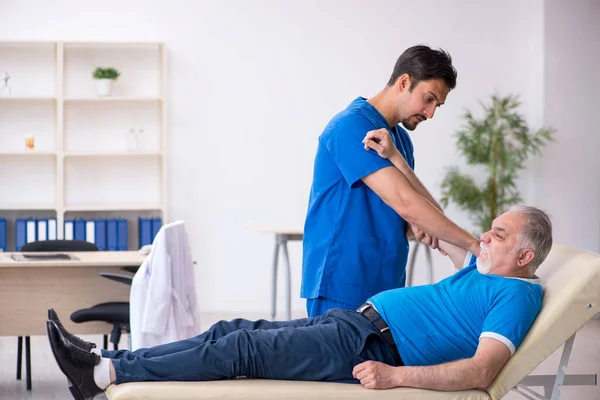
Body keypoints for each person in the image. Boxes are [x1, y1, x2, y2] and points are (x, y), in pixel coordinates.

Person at [47, 206, 552, 400]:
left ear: (525, 255)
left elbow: (483, 371)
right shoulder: (485, 270)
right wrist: (398, 167)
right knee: (229, 331)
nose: (486, 236)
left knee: (240, 349)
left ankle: (105, 374)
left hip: (372, 347)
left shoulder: (516, 295)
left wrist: (396, 377)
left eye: (499, 233)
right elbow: (452, 238)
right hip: (354, 323)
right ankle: (109, 364)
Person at [301, 44, 480, 317]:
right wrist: (476, 247)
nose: (431, 113)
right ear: (404, 81)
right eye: (428, 99)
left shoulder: (400, 142)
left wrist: (425, 222)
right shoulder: (351, 126)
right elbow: (407, 203)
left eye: (438, 105)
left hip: (386, 283)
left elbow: (418, 215)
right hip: (343, 279)